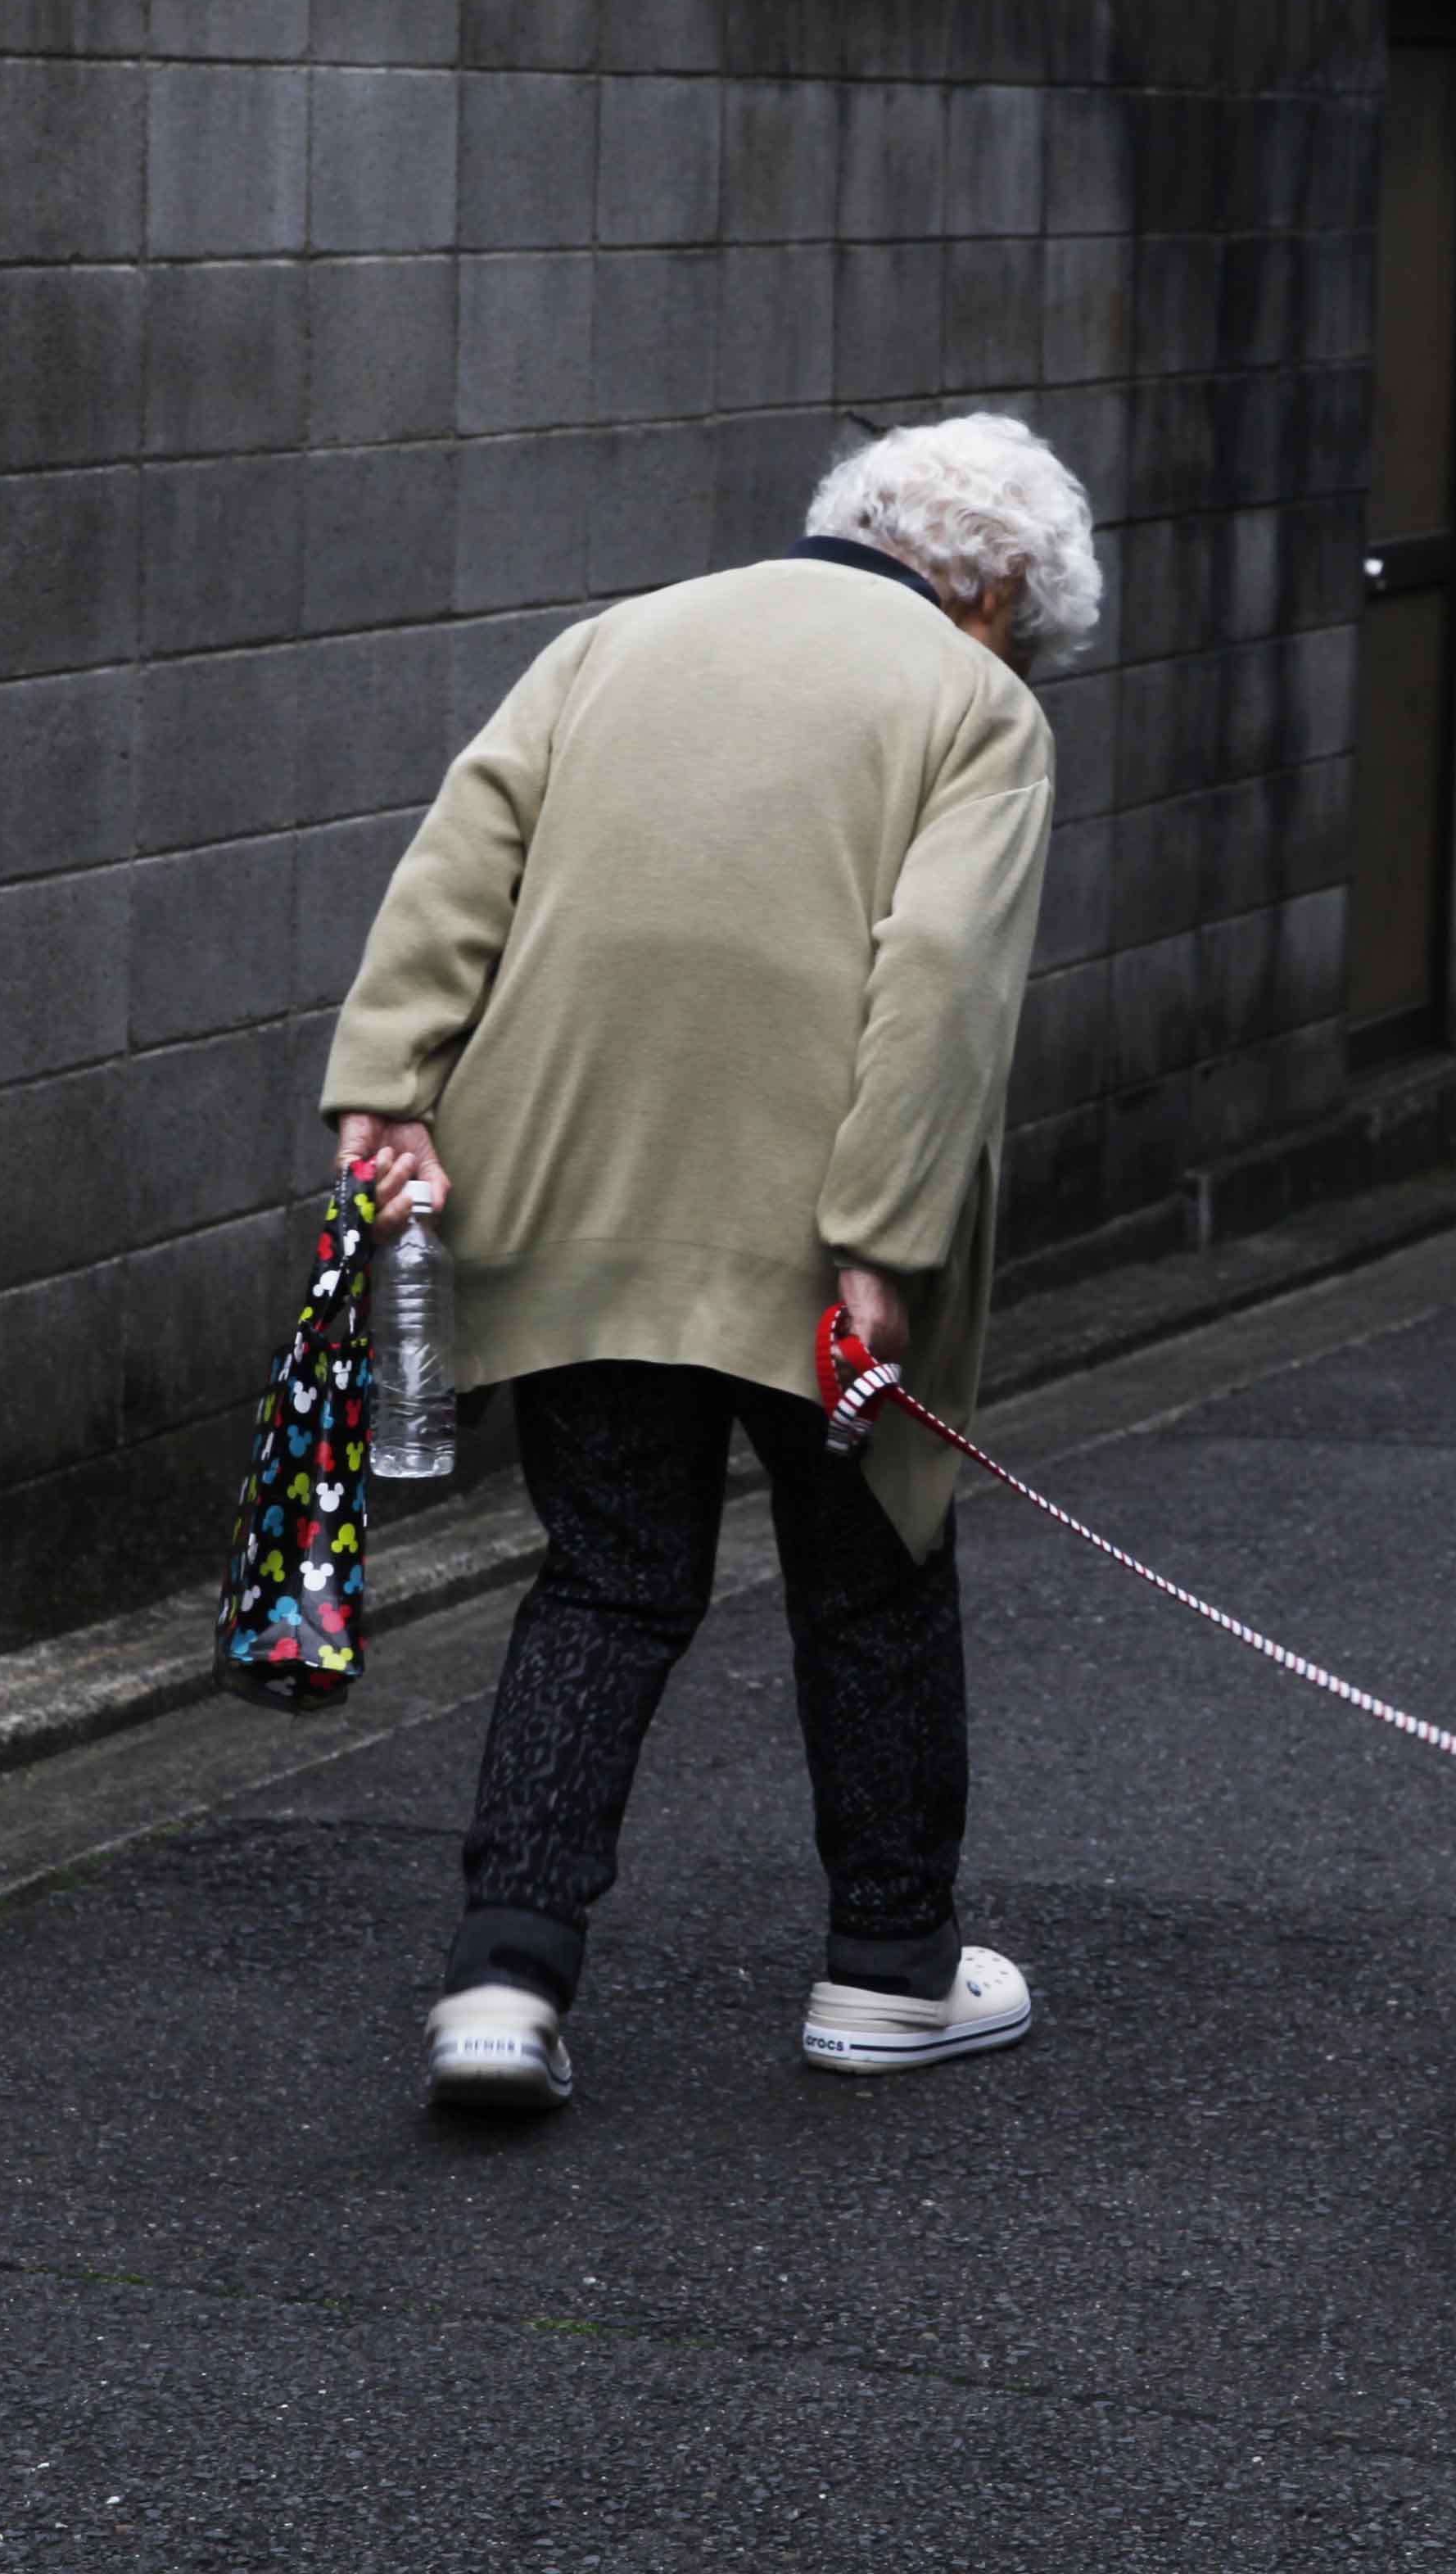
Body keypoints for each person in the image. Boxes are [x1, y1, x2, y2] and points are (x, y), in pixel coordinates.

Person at [320, 413, 1096, 2113]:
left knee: (609, 1579)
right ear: (992, 596)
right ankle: (888, 1970)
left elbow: (460, 858)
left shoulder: (617, 638)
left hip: (567, 1194)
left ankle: (503, 1984)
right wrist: (885, 1243)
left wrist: (388, 1089)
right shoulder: (975, 708)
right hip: (812, 1241)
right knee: (873, 1577)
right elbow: (941, 982)